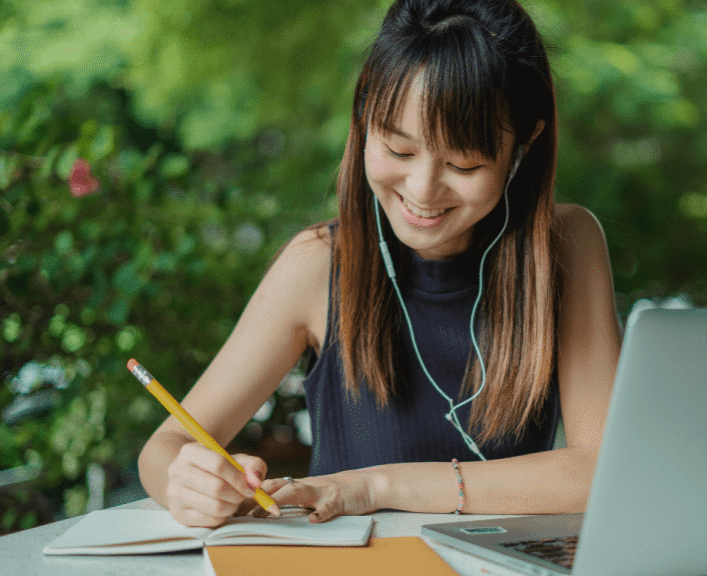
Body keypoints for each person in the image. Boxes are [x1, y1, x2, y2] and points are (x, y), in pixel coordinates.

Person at [138, 0, 622, 528]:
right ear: (365, 118)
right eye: (398, 149)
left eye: (463, 164)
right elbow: (167, 445)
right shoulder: (318, 264)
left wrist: (375, 486)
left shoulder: (567, 244)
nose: (422, 190)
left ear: (524, 144)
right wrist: (189, 483)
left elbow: (602, 471)